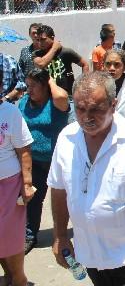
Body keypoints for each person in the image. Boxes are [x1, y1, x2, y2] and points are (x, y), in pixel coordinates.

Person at [47, 71, 125, 286]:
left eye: (96, 109)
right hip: (91, 254)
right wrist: (60, 235)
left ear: (113, 105)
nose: (87, 117)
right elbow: (59, 189)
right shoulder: (66, 139)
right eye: (80, 109)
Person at [17, 68, 69, 254]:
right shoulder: (23, 103)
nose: (28, 90)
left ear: (46, 86)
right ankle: (29, 235)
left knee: (69, 198)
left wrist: (50, 81)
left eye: (33, 86)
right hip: (35, 162)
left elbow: (62, 96)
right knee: (33, 199)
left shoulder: (56, 102)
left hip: (58, 161)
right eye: (27, 85)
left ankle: (85, 229)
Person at [0, 77, 34, 286]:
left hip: (9, 185)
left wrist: (27, 184)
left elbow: (24, 150)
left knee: (10, 235)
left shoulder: (10, 112)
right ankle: (9, 276)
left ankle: (19, 278)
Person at [33, 24, 89, 96]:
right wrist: (54, 48)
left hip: (68, 95)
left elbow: (85, 64)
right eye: (38, 40)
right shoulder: (37, 54)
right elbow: (41, 64)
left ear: (52, 38)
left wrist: (83, 84)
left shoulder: (66, 52)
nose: (40, 43)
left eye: (43, 39)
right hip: (47, 96)